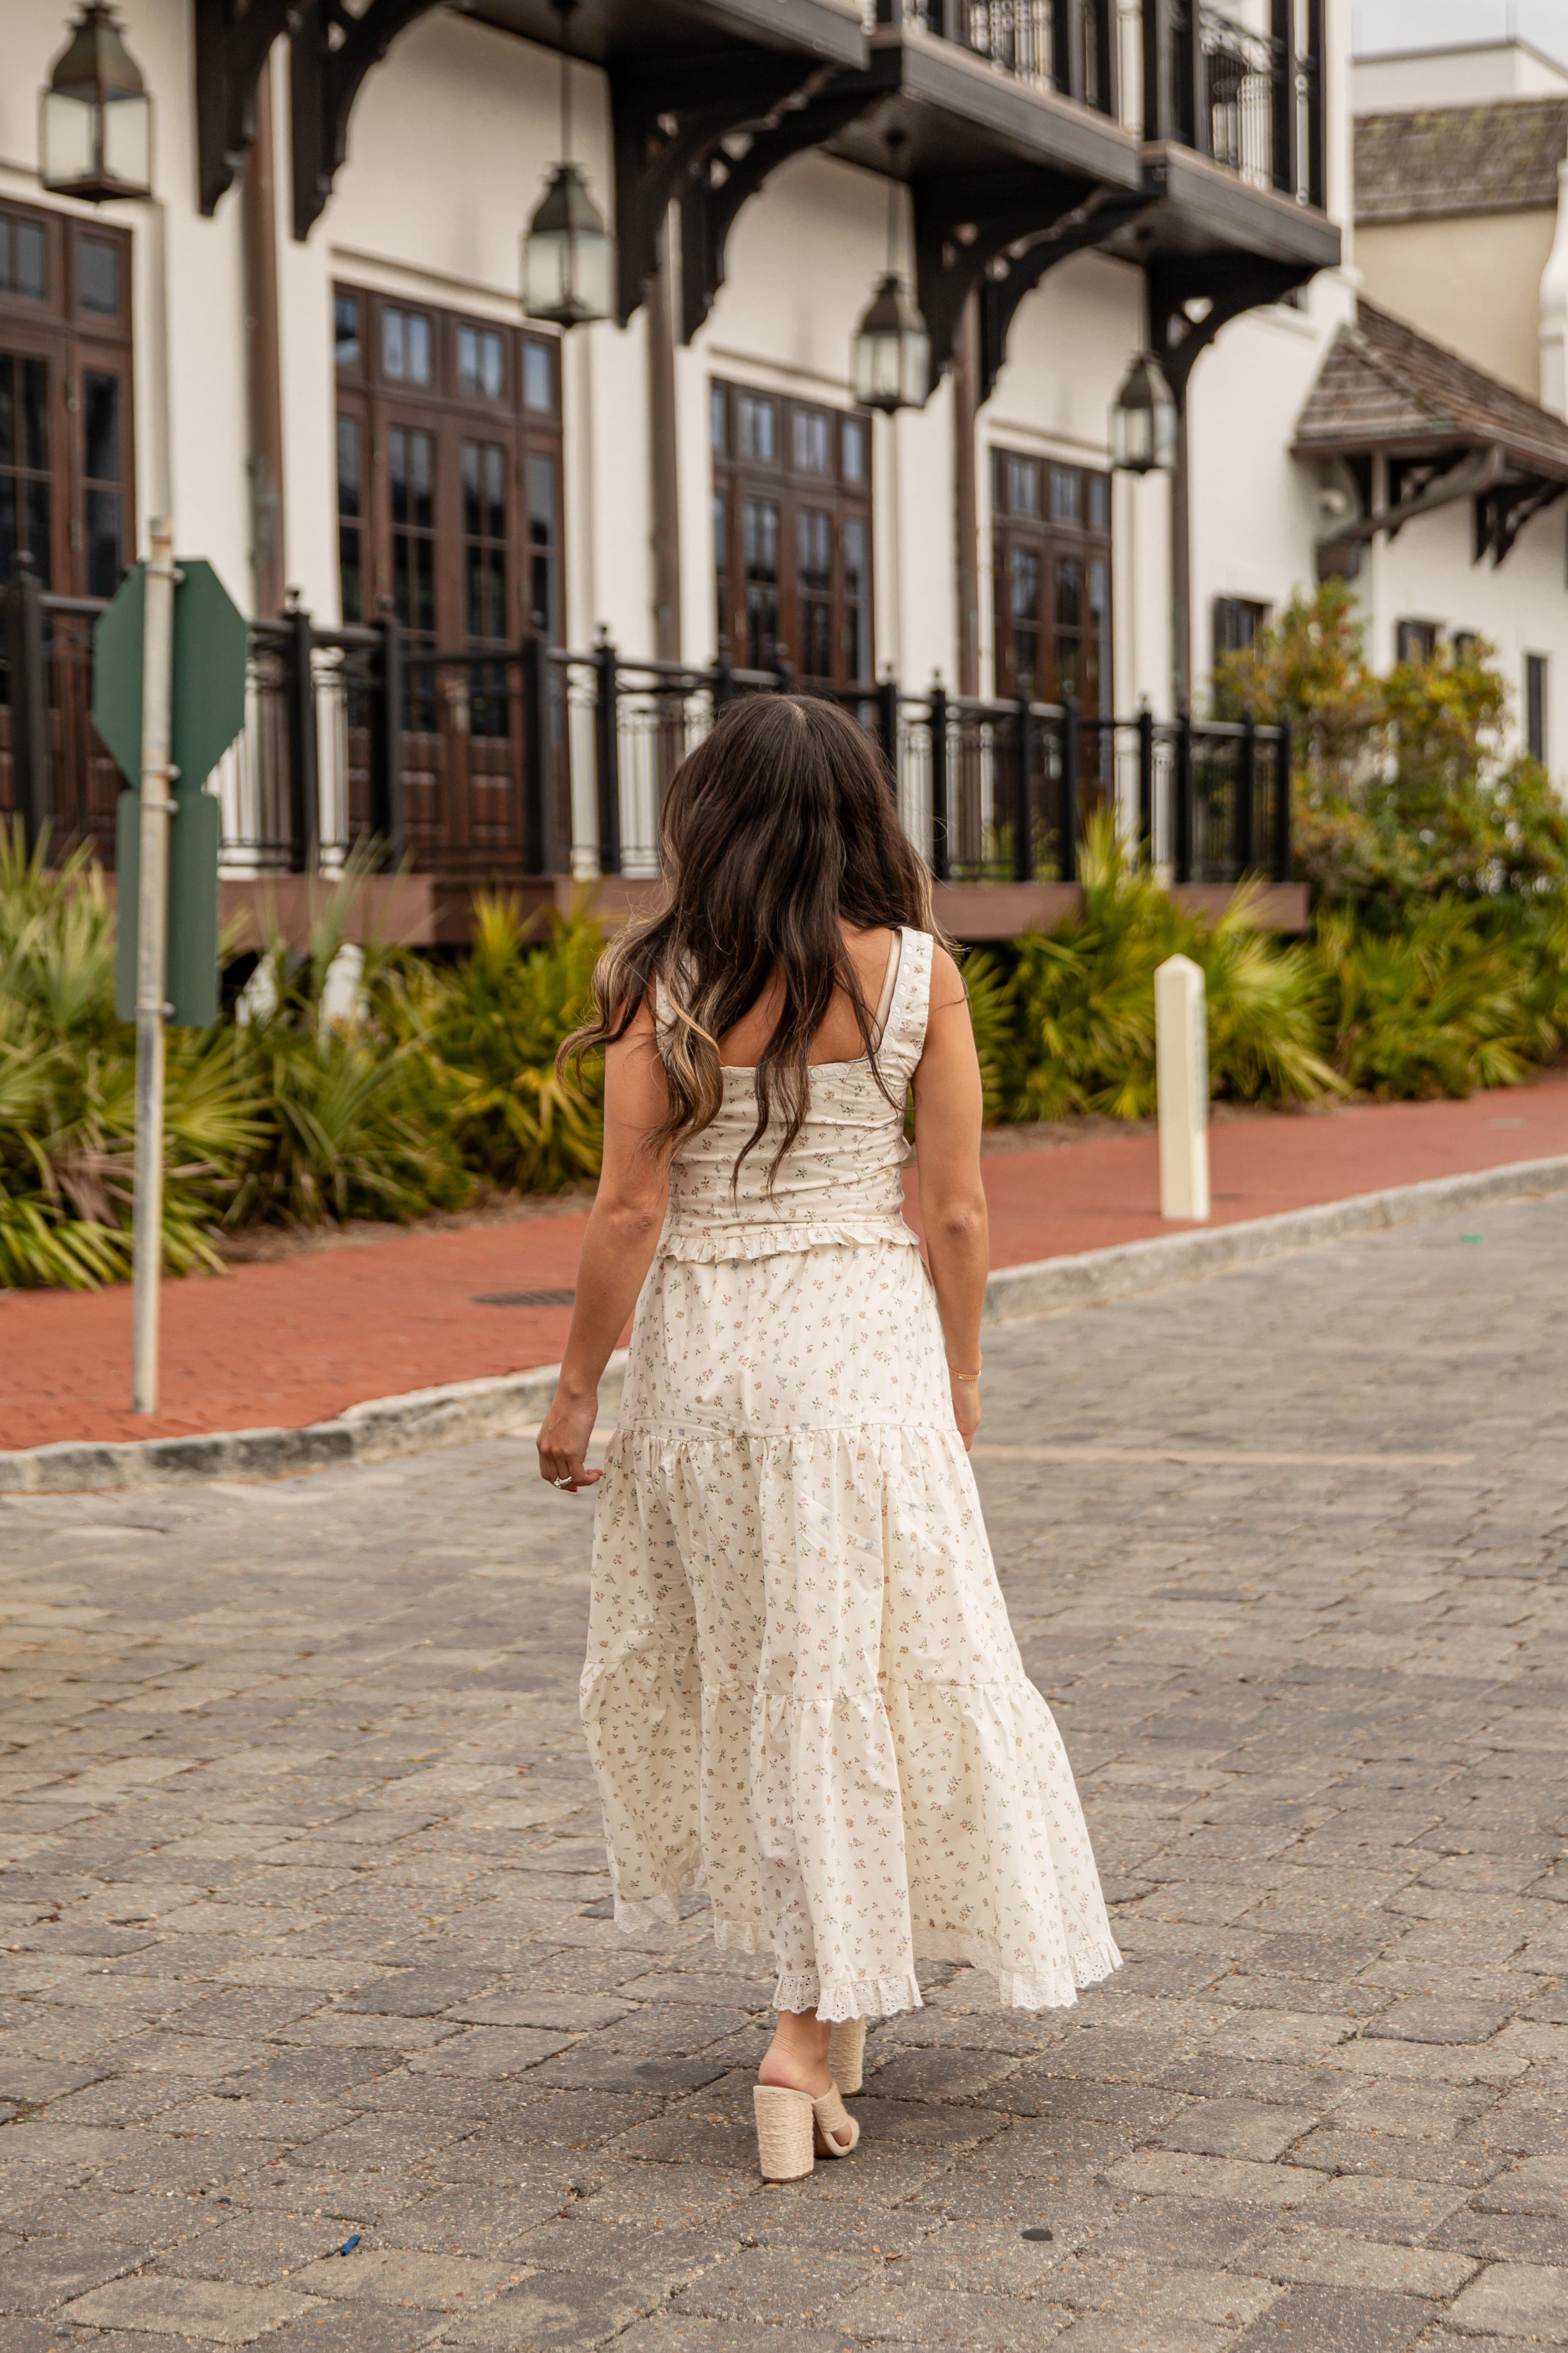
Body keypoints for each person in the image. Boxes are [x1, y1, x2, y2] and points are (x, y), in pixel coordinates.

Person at [537, 694, 1119, 2182]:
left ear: (706, 820)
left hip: (709, 1370)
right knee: (860, 1668)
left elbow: (625, 1211)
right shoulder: (917, 975)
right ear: (863, 813)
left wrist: (574, 1391)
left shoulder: (655, 978)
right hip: (860, 1356)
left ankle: (833, 2001)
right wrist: (967, 1372)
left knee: (771, 1675)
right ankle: (803, 2033)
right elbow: (962, 1204)